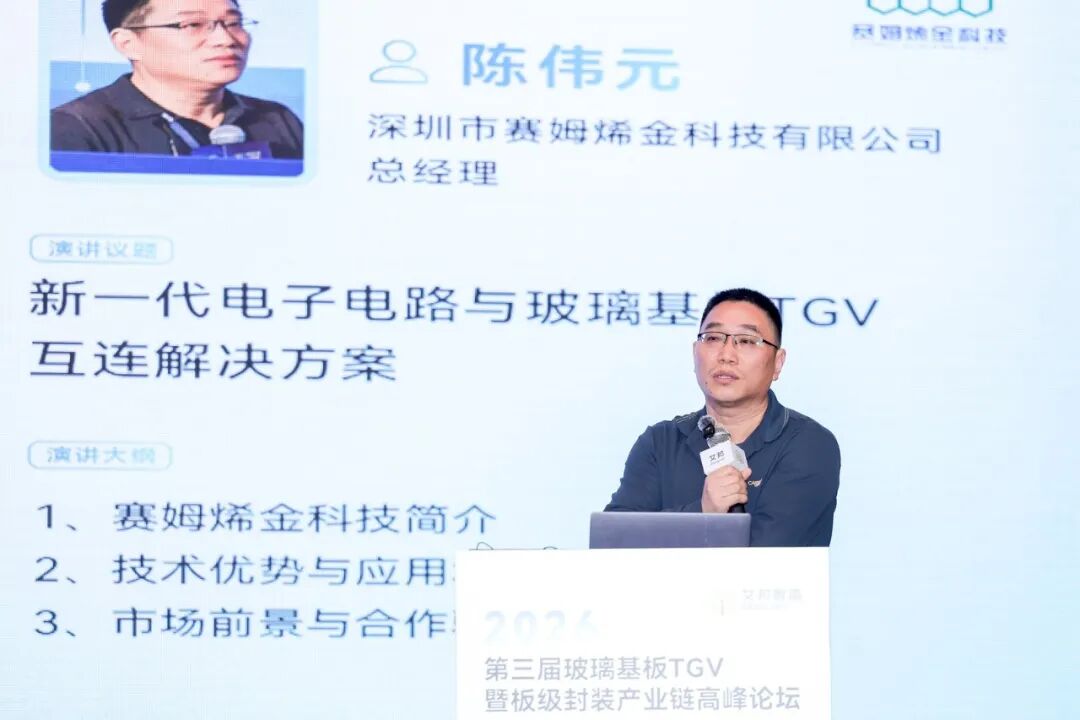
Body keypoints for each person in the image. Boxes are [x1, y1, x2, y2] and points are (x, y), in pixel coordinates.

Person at [604, 288, 841, 546]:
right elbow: (613, 542)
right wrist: (703, 513)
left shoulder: (808, 443)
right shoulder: (660, 442)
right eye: (713, 338)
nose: (726, 355)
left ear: (777, 362)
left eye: (747, 341)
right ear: (695, 352)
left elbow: (769, 553)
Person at [50, 0, 303, 158]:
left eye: (234, 23)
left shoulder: (277, 118)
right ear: (128, 43)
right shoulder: (76, 127)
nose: (225, 39)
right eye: (192, 25)